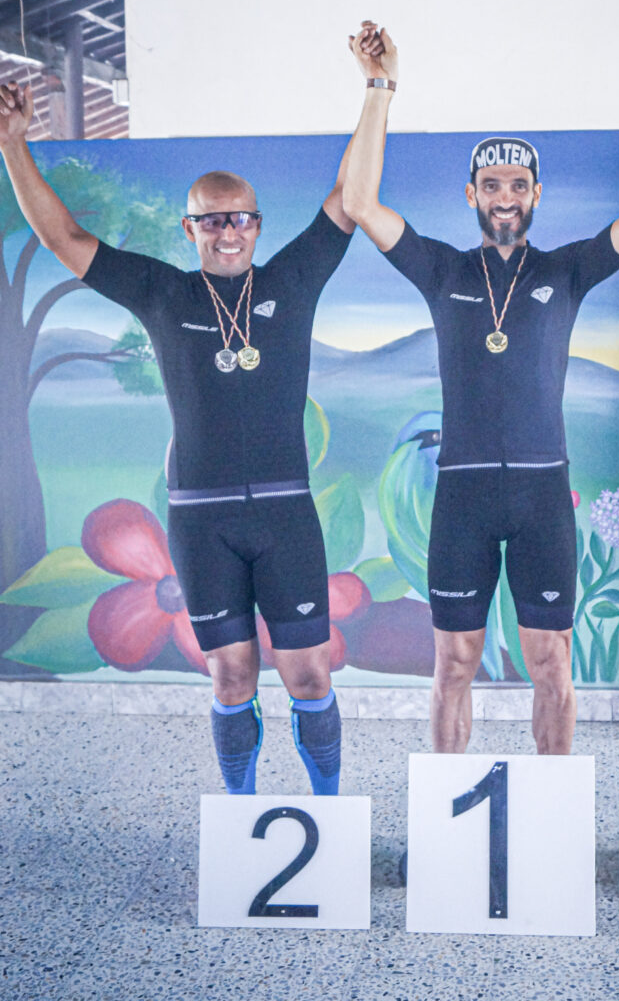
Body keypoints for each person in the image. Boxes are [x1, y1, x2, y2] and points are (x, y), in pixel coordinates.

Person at [0, 80, 356, 797]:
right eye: (211, 221)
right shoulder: (164, 293)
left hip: (286, 513)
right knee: (230, 675)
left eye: (241, 219)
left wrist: (378, 90)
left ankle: (329, 810)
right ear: (189, 229)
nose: (228, 232)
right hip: (201, 520)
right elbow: (64, 239)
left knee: (309, 673)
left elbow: (349, 198)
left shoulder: (293, 280)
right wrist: (12, 143)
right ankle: (242, 816)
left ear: (258, 226)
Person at [343, 22, 619, 755]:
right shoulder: (442, 270)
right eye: (493, 185)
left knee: (551, 662)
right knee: (453, 663)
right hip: (462, 494)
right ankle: (445, 802)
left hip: (541, 494)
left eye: (518, 185)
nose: (505, 197)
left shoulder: (566, 270)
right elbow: (360, 201)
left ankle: (552, 801)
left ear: (536, 195)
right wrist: (379, 88)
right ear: (471, 193)